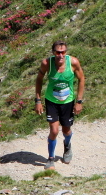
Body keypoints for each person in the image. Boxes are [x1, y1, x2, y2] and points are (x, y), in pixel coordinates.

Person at [35, 40, 85, 170]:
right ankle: (51, 158)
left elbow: (81, 79)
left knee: (66, 130)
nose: (61, 55)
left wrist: (79, 101)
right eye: (58, 52)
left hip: (68, 102)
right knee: (54, 130)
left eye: (63, 52)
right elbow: (39, 79)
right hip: (52, 101)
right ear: (53, 52)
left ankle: (67, 146)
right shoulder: (47, 63)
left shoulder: (73, 62)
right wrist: (38, 101)